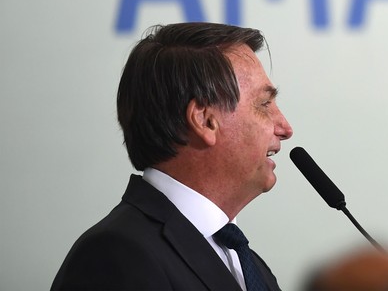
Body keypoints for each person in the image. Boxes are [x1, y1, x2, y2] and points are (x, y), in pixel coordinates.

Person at [51, 22, 294, 291]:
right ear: (204, 120)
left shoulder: (247, 264)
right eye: (264, 105)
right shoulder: (115, 257)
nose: (285, 128)